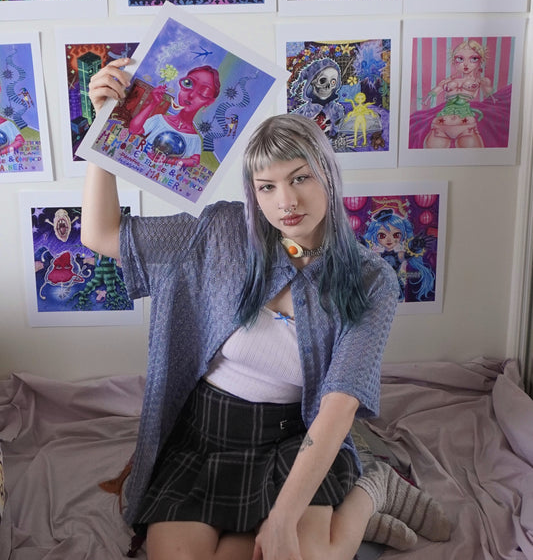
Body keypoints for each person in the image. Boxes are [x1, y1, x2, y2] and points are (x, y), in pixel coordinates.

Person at [83, 58, 451, 560]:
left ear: (328, 176)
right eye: (267, 187)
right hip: (206, 438)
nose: (286, 202)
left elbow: (339, 405)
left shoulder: (371, 281)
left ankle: (374, 491)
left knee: (303, 555)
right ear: (253, 194)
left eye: (300, 178)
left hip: (291, 441)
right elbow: (101, 235)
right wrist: (105, 123)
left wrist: (281, 521)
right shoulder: (220, 231)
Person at [422, 39, 492, 148]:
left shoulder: (481, 81)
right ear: (454, 61)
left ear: (481, 60)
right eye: (460, 59)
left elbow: (492, 99)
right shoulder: (448, 81)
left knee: (473, 157)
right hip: (440, 125)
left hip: (466, 126)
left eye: (473, 59)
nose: (466, 64)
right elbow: (429, 96)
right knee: (432, 156)